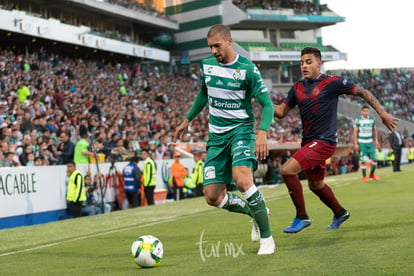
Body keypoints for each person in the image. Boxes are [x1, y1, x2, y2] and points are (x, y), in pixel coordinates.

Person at [173, 24, 275, 255]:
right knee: (212, 196)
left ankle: (267, 240)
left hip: (241, 131)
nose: (213, 51)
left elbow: (267, 104)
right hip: (217, 137)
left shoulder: (247, 69)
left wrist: (262, 132)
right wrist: (187, 119)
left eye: (217, 46)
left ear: (229, 41)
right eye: (210, 47)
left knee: (242, 179)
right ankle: (256, 213)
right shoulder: (207, 66)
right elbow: (203, 93)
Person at [273, 47, 398, 234]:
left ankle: (301, 216)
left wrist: (382, 113)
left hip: (325, 142)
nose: (304, 66)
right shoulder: (297, 88)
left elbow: (362, 92)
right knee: (315, 185)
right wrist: (263, 98)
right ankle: (340, 213)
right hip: (308, 143)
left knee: (287, 170)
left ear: (319, 63)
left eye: (308, 62)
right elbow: (281, 112)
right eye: (301, 63)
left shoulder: (331, 83)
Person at [353, 105, 381, 182]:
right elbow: (355, 132)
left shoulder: (372, 119)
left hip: (370, 142)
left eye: (367, 111)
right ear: (361, 112)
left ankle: (372, 174)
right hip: (362, 142)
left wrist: (376, 140)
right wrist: (355, 144)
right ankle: (364, 176)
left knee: (374, 159)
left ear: (369, 111)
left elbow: (374, 130)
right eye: (364, 111)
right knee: (363, 160)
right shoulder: (358, 120)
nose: (365, 112)